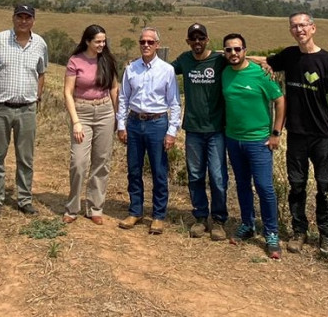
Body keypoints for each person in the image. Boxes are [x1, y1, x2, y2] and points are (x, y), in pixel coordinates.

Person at [258, 12, 328, 256]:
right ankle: (299, 232)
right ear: (291, 31)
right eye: (294, 26)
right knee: (296, 185)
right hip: (296, 133)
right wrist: (234, 54)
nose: (299, 30)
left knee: (325, 185)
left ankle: (326, 236)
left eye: (303, 25)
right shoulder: (289, 56)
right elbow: (266, 61)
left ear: (313, 28)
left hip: (321, 135)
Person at [221, 33, 285, 259]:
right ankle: (248, 224)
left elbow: (279, 100)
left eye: (237, 49)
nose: (233, 53)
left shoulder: (260, 74)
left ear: (245, 50)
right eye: (228, 50)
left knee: (264, 188)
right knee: (241, 185)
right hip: (232, 138)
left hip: (259, 140)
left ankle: (271, 233)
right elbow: (215, 55)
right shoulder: (225, 72)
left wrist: (276, 133)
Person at [0, 5, 49, 218]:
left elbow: (41, 73)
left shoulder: (40, 44)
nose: (23, 21)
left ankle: (24, 199)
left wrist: (37, 97)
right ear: (13, 18)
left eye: (27, 17)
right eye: (19, 17)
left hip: (27, 109)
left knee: (26, 157)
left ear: (33, 20)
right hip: (0, 108)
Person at [116, 27, 182, 235]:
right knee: (134, 170)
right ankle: (135, 211)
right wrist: (121, 125)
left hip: (157, 124)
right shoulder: (131, 68)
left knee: (159, 171)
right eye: (142, 42)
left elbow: (175, 103)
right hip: (134, 123)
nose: (146, 45)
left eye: (150, 42)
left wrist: (172, 131)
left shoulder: (167, 70)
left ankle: (158, 216)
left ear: (157, 45)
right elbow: (123, 98)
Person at [170, 23, 229, 241]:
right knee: (195, 175)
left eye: (201, 38)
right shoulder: (184, 60)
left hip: (216, 130)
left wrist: (266, 62)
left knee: (217, 176)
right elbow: (164, 70)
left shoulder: (220, 60)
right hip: (193, 129)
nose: (197, 42)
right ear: (188, 41)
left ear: (207, 39)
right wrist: (136, 65)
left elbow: (241, 60)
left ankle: (220, 220)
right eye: (193, 38)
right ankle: (200, 217)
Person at [63, 25, 119, 225]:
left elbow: (114, 88)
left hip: (105, 112)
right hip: (82, 113)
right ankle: (72, 207)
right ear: (87, 41)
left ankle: (95, 207)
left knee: (101, 161)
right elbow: (68, 92)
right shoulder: (75, 61)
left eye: (104, 41)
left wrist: (117, 116)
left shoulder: (108, 60)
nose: (102, 45)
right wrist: (76, 121)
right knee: (78, 162)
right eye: (98, 41)